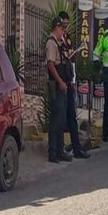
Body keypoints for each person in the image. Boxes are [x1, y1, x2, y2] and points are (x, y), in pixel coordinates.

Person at [58, 11, 90, 159]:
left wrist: (75, 53)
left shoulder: (68, 37)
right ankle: (59, 150)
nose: (65, 27)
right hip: (61, 81)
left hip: (69, 80)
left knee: (72, 117)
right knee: (61, 117)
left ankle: (77, 149)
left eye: (66, 24)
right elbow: (59, 59)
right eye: (63, 24)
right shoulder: (56, 40)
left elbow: (70, 56)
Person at [46, 17, 74, 163]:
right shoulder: (51, 43)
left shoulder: (58, 43)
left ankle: (60, 150)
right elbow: (50, 65)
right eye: (61, 29)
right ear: (55, 28)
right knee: (56, 119)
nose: (63, 31)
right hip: (57, 86)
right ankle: (53, 152)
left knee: (62, 119)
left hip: (62, 85)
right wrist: (60, 81)